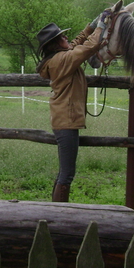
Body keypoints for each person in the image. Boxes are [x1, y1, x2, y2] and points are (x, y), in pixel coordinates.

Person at [36, 12, 109, 202]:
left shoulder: (58, 58)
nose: (66, 38)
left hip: (64, 120)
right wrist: (101, 26)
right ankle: (59, 214)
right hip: (66, 122)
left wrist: (91, 27)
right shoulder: (62, 60)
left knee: (64, 172)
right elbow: (88, 48)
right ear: (55, 44)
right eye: (62, 37)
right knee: (67, 174)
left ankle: (56, 211)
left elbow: (77, 44)